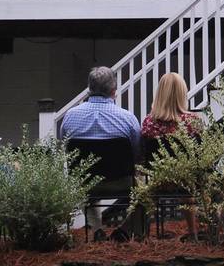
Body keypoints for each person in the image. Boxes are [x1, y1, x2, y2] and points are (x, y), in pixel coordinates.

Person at [60, 66, 144, 241]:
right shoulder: (128, 119)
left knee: (86, 175)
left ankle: (97, 229)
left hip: (85, 184)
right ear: (114, 90)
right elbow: (137, 154)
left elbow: (65, 149)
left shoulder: (70, 117)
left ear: (89, 90)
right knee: (146, 189)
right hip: (122, 183)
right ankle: (126, 230)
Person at [141, 72, 203, 240]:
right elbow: (200, 155)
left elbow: (144, 156)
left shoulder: (149, 123)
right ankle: (194, 232)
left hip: (158, 182)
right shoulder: (193, 121)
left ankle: (143, 233)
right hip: (187, 182)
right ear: (182, 94)